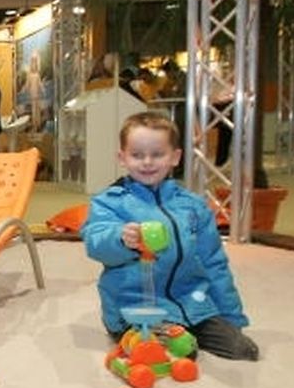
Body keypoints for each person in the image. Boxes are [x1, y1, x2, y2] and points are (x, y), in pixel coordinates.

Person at [81, 112, 258, 360]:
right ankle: (165, 339)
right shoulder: (110, 202)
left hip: (192, 303)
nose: (147, 162)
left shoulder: (193, 206)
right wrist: (121, 238)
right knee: (179, 351)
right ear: (122, 158)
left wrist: (231, 317)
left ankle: (183, 331)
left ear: (175, 157)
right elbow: (95, 242)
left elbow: (214, 263)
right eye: (137, 155)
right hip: (136, 309)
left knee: (243, 350)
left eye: (157, 154)